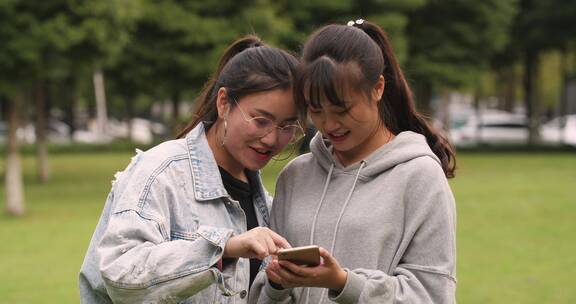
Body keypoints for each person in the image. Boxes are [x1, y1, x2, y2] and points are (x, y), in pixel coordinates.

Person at [79, 35, 306, 303]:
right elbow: (120, 274)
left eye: (287, 126)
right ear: (224, 103)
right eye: (261, 120)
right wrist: (225, 249)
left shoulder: (266, 205)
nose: (271, 138)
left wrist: (279, 286)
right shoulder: (161, 172)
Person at [250, 20, 457, 303]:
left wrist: (344, 283)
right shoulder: (295, 176)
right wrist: (276, 284)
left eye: (342, 109)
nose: (329, 124)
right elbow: (262, 293)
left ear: (378, 88)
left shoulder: (420, 176)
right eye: (316, 110)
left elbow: (432, 295)